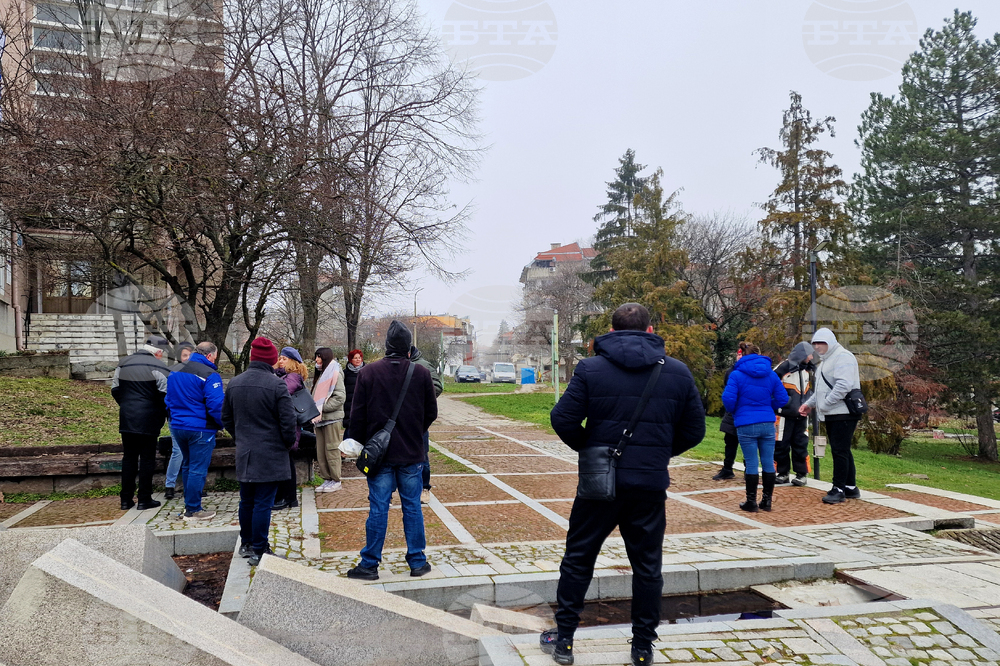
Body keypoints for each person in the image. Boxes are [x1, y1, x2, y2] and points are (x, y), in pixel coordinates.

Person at [543, 303, 706, 666]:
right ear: (650, 331)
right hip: (648, 483)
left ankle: (565, 640)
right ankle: (643, 646)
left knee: (578, 559)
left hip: (600, 484)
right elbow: (695, 430)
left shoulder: (590, 368)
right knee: (647, 567)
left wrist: (592, 449)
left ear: (612, 331)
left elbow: (562, 418)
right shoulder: (677, 372)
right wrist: (658, 453)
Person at [346, 321, 438, 581]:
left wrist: (365, 443)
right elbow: (431, 412)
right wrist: (413, 432)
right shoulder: (420, 374)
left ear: (386, 346)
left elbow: (357, 417)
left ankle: (369, 564)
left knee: (378, 507)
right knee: (412, 507)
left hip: (380, 456)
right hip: (411, 452)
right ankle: (418, 561)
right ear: (408, 348)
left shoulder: (368, 373)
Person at [222, 337, 297, 566]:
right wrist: (286, 444)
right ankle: (259, 548)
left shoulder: (235, 383)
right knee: (263, 502)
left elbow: (226, 417)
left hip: (246, 451)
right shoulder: (276, 385)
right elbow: (288, 421)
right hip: (270, 451)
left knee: (247, 500)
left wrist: (241, 438)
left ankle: (246, 543)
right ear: (271, 359)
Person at [722, 342, 789, 514]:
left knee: (751, 462)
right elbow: (783, 399)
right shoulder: (771, 375)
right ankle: (766, 501)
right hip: (767, 422)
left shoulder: (737, 375)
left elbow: (728, 400)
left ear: (743, 355)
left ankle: (751, 501)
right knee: (768, 461)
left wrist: (737, 410)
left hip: (746, 423)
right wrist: (768, 406)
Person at [799, 328, 862, 504]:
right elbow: (821, 390)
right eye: (815, 343)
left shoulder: (843, 357)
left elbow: (843, 386)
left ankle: (838, 488)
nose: (818, 346)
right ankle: (850, 487)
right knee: (842, 449)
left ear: (831, 342)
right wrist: (809, 404)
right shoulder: (826, 361)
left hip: (843, 412)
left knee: (839, 451)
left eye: (822, 343)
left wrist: (824, 404)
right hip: (834, 413)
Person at [165, 341, 224, 521]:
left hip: (178, 426)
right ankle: (193, 509)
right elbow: (216, 405)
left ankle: (189, 503)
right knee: (198, 468)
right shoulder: (210, 374)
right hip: (200, 428)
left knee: (188, 465)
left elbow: (168, 399)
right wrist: (221, 424)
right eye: (214, 357)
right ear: (209, 356)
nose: (215, 360)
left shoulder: (175, 371)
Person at [112, 335, 170, 511]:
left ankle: (125, 500)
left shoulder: (123, 363)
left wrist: (127, 406)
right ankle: (144, 498)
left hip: (127, 418)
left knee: (129, 458)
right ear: (158, 352)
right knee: (147, 459)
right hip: (149, 419)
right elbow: (165, 394)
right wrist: (161, 413)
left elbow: (115, 389)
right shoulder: (159, 366)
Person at [773, 342, 814, 487]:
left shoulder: (808, 370)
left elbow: (812, 391)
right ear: (802, 354)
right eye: (809, 354)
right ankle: (782, 473)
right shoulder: (784, 367)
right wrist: (782, 403)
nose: (811, 357)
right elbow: (770, 385)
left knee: (800, 444)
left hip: (802, 416)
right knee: (781, 445)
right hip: (784, 415)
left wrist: (809, 405)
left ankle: (801, 474)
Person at [274, 347, 308, 510]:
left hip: (289, 425)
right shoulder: (283, 376)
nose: (280, 361)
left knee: (285, 462)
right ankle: (289, 498)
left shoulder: (292, 377)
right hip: (285, 424)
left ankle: (287, 497)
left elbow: (282, 394)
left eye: (284, 358)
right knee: (285, 461)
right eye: (279, 358)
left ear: (293, 362)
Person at [411, 344, 443, 504]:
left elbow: (437, 386)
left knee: (422, 454)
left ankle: (425, 488)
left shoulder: (423, 366)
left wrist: (420, 399)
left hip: (419, 417)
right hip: (400, 418)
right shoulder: (400, 364)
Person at [312, 347, 346, 493]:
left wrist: (321, 407)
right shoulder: (321, 374)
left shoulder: (335, 373)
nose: (316, 360)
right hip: (320, 419)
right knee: (321, 451)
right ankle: (327, 478)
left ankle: (335, 479)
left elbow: (340, 397)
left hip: (331, 418)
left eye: (319, 357)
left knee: (332, 449)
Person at [712, 353, 743, 482]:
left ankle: (749, 471)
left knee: (748, 444)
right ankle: (727, 468)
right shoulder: (730, 372)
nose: (739, 357)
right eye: (738, 354)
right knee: (730, 443)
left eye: (742, 354)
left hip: (745, 412)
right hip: (732, 413)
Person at [343, 349, 365, 437]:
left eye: (359, 358)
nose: (358, 360)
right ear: (350, 360)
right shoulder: (345, 373)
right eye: (355, 358)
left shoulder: (367, 371)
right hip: (349, 404)